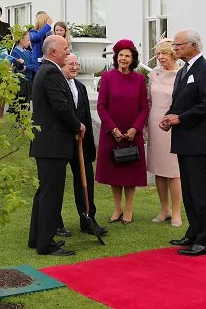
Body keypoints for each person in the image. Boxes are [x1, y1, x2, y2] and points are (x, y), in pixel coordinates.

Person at [160, 28, 206, 256]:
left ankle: (205, 241)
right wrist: (169, 116)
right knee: (188, 190)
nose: (175, 49)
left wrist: (180, 118)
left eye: (178, 45)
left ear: (193, 46)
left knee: (200, 191)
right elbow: (180, 102)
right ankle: (194, 232)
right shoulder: (183, 71)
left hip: (199, 140)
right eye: (174, 45)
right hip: (184, 139)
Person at [28, 35, 84, 256]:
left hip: (47, 144)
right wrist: (77, 125)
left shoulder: (45, 70)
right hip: (52, 144)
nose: (67, 52)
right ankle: (46, 243)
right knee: (51, 194)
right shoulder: (51, 72)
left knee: (44, 193)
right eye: (65, 49)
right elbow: (61, 107)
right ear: (53, 52)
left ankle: (36, 238)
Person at [95, 39, 148, 225]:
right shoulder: (107, 77)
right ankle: (117, 208)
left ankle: (129, 209)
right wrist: (113, 129)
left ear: (133, 58)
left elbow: (144, 108)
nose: (124, 58)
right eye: (121, 55)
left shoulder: (140, 79)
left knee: (130, 173)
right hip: (112, 132)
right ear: (116, 57)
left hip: (133, 133)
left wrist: (135, 128)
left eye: (128, 55)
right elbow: (101, 107)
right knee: (115, 173)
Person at [60, 54, 108, 236]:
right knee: (57, 184)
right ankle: (56, 223)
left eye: (76, 64)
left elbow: (86, 115)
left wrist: (88, 142)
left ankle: (88, 219)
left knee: (85, 181)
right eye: (70, 64)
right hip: (62, 143)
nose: (74, 67)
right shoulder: (57, 85)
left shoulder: (80, 87)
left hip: (81, 143)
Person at [147, 40, 182, 227]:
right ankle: (164, 209)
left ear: (173, 54)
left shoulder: (181, 74)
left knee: (174, 171)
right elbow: (149, 102)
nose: (160, 57)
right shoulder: (154, 74)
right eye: (158, 54)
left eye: (164, 54)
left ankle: (176, 212)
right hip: (155, 125)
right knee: (159, 170)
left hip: (174, 127)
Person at [10, 31, 36, 122]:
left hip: (28, 80)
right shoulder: (15, 53)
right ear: (21, 40)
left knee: (27, 100)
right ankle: (19, 120)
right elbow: (17, 67)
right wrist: (23, 67)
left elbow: (33, 65)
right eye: (28, 40)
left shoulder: (28, 52)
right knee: (20, 100)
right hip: (20, 80)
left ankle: (25, 119)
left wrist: (26, 67)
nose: (29, 42)